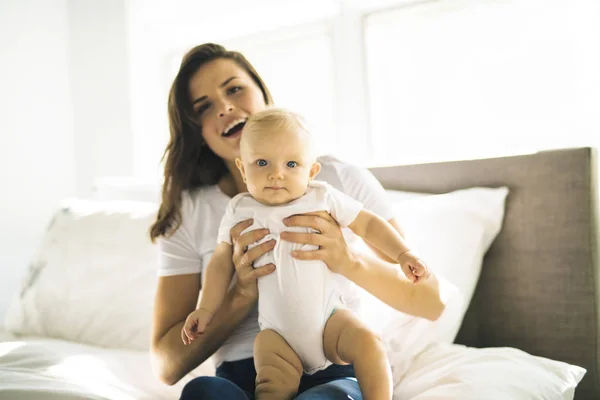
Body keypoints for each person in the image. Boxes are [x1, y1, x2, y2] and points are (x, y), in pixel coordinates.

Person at [150, 43, 445, 400]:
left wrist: (348, 260)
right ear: (197, 130)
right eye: (205, 106)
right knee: (202, 392)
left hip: (333, 353)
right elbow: (166, 367)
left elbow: (429, 301)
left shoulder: (333, 182)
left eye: (234, 89)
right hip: (248, 368)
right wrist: (238, 295)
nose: (225, 107)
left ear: (262, 92)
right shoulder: (196, 211)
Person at [181, 108, 430, 399]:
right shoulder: (239, 208)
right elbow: (220, 262)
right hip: (277, 334)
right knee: (271, 385)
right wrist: (206, 309)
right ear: (242, 168)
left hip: (330, 321)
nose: (276, 173)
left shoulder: (322, 196)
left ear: (311, 171)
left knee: (369, 345)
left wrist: (403, 254)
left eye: (291, 164)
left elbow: (369, 224)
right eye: (261, 163)